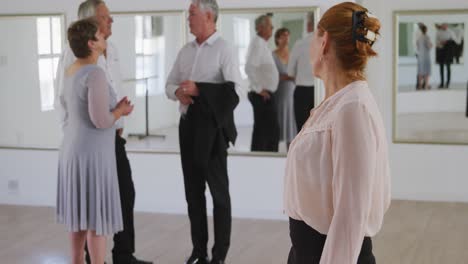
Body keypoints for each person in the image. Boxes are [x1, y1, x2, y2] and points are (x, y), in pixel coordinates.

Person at [283, 2, 391, 264]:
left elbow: (350, 215)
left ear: (324, 41)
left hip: (329, 254)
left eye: (313, 38)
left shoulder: (353, 108)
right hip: (307, 252)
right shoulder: (339, 103)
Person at [55, 1, 152, 263]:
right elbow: (89, 115)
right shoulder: (89, 68)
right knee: (96, 214)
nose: (110, 22)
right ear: (91, 37)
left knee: (95, 206)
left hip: (93, 144)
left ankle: (120, 254)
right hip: (93, 148)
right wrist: (119, 113)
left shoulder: (80, 65)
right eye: (105, 19)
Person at [165, 0, 241, 263]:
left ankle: (219, 256)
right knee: (193, 194)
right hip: (188, 129)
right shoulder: (185, 51)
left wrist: (199, 90)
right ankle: (199, 252)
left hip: (213, 132)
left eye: (192, 14)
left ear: (209, 16)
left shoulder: (224, 49)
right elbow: (169, 84)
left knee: (219, 196)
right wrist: (178, 93)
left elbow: (235, 93)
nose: (188, 19)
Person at [245, 14, 280, 152]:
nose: (272, 28)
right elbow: (249, 67)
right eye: (270, 26)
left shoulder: (261, 43)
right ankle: (264, 162)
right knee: (268, 133)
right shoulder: (258, 44)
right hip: (262, 96)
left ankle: (264, 161)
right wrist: (259, 89)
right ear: (260, 28)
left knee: (266, 132)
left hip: (265, 95)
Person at [287, 12, 316, 131]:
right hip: (320, 91)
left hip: (302, 92)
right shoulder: (326, 44)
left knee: (302, 130)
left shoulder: (299, 44)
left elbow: (290, 72)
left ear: (309, 25)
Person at [272, 27, 297, 149]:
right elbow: (272, 76)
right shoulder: (273, 55)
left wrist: (289, 77)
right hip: (278, 93)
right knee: (277, 122)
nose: (286, 38)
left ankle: (290, 152)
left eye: (288, 35)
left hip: (292, 92)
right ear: (277, 38)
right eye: (283, 36)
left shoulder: (292, 54)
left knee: (291, 123)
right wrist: (288, 77)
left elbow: (297, 74)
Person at [436, 23, 457, 88]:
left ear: (447, 25)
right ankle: (441, 83)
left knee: (448, 68)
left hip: (448, 52)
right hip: (441, 51)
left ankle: (447, 83)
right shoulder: (438, 32)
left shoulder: (450, 32)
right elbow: (436, 41)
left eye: (445, 25)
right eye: (443, 25)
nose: (444, 26)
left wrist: (447, 41)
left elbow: (455, 41)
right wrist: (440, 43)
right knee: (441, 68)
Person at [416, 24, 433, 90]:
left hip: (420, 56)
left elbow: (417, 46)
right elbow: (429, 46)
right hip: (426, 56)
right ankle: (426, 85)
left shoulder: (419, 37)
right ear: (426, 30)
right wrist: (431, 45)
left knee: (420, 71)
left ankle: (420, 86)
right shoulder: (427, 37)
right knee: (427, 71)